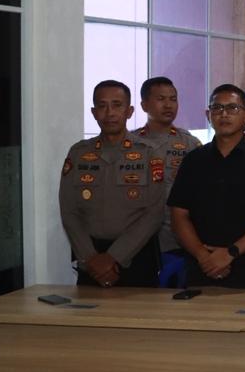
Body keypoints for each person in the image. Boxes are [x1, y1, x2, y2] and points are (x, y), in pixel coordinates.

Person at [168, 85, 245, 288]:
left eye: (232, 108)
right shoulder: (193, 160)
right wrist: (204, 257)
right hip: (201, 271)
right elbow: (178, 215)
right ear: (208, 115)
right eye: (217, 108)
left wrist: (230, 253)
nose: (224, 114)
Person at [59, 80, 166, 287]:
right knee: (89, 309)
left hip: (137, 258)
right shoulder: (78, 153)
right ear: (94, 112)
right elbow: (69, 211)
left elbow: (155, 212)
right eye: (102, 106)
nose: (109, 113)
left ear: (129, 111)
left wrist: (114, 257)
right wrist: (90, 258)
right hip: (91, 261)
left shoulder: (149, 153)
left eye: (117, 105)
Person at [133, 76, 202, 265]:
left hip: (178, 239)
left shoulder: (190, 143)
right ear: (144, 105)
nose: (168, 105)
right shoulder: (130, 143)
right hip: (137, 239)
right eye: (161, 99)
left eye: (173, 99)